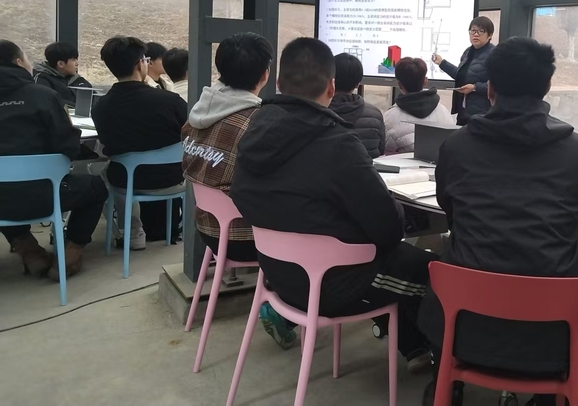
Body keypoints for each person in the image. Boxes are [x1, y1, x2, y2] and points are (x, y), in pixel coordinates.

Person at [418, 37, 578, 406]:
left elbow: (452, 214)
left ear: (490, 89)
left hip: (463, 325)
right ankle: (547, 394)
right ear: (547, 86)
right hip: (556, 331)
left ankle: (447, 384)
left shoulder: (457, 147)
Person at [231, 37, 436, 371]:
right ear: (331, 87)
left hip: (277, 273)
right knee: (439, 273)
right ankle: (443, 362)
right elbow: (389, 228)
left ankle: (414, 348)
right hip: (336, 283)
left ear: (279, 83)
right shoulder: (337, 144)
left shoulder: (254, 129)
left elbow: (244, 196)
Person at [181, 33, 297, 349]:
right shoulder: (260, 122)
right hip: (245, 240)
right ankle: (287, 307)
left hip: (208, 230)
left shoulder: (200, 111)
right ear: (265, 74)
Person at [0, 40, 107, 279]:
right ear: (18, 62)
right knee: (96, 187)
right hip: (46, 194)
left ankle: (29, 250)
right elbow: (68, 147)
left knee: (5, 189)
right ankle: (70, 254)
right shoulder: (44, 96)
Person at [92, 37, 187, 248]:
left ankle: (133, 232)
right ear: (140, 64)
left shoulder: (100, 107)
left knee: (102, 171)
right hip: (172, 180)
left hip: (126, 182)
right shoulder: (170, 101)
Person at [432, 16, 495, 125]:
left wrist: (474, 88)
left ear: (490, 35)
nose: (475, 34)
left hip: (481, 113)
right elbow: (461, 75)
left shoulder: (494, 54)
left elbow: (497, 85)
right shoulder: (468, 52)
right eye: (473, 30)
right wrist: (442, 63)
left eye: (481, 31)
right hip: (462, 109)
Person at [384, 57, 455, 154]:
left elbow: (386, 149)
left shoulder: (389, 117)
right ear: (425, 81)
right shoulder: (444, 112)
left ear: (399, 84)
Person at [328, 53, 385, 158]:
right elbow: (381, 150)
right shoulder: (375, 114)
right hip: (367, 168)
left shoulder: (317, 112)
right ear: (358, 84)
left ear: (331, 80)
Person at [32, 41, 92, 107]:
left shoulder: (78, 80)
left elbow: (94, 98)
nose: (77, 63)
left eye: (76, 59)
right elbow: (48, 102)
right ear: (60, 64)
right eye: (73, 60)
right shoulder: (41, 79)